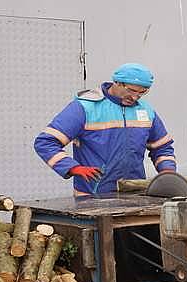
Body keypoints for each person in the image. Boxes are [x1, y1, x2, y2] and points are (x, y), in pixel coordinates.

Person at [34, 63, 176, 196]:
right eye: (131, 90)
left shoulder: (146, 111)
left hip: (135, 194)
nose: (134, 97)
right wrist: (72, 167)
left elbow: (162, 147)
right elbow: (46, 142)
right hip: (92, 196)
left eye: (142, 93)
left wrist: (168, 172)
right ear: (117, 82)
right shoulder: (85, 108)